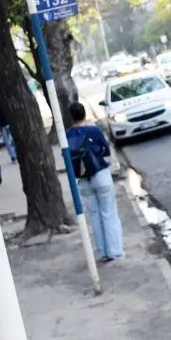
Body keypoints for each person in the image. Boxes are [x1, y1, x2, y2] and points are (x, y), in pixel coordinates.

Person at [66, 102, 124, 262]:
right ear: (84, 113)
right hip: (100, 175)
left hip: (83, 179)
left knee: (95, 215)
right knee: (109, 212)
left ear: (71, 116)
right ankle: (114, 251)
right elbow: (106, 150)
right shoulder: (94, 130)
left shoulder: (67, 135)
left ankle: (103, 252)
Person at [0, 97, 16, 162]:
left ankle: (16, 153)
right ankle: (13, 155)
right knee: (7, 142)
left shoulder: (7, 102)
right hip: (2, 126)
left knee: (13, 140)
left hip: (10, 124)